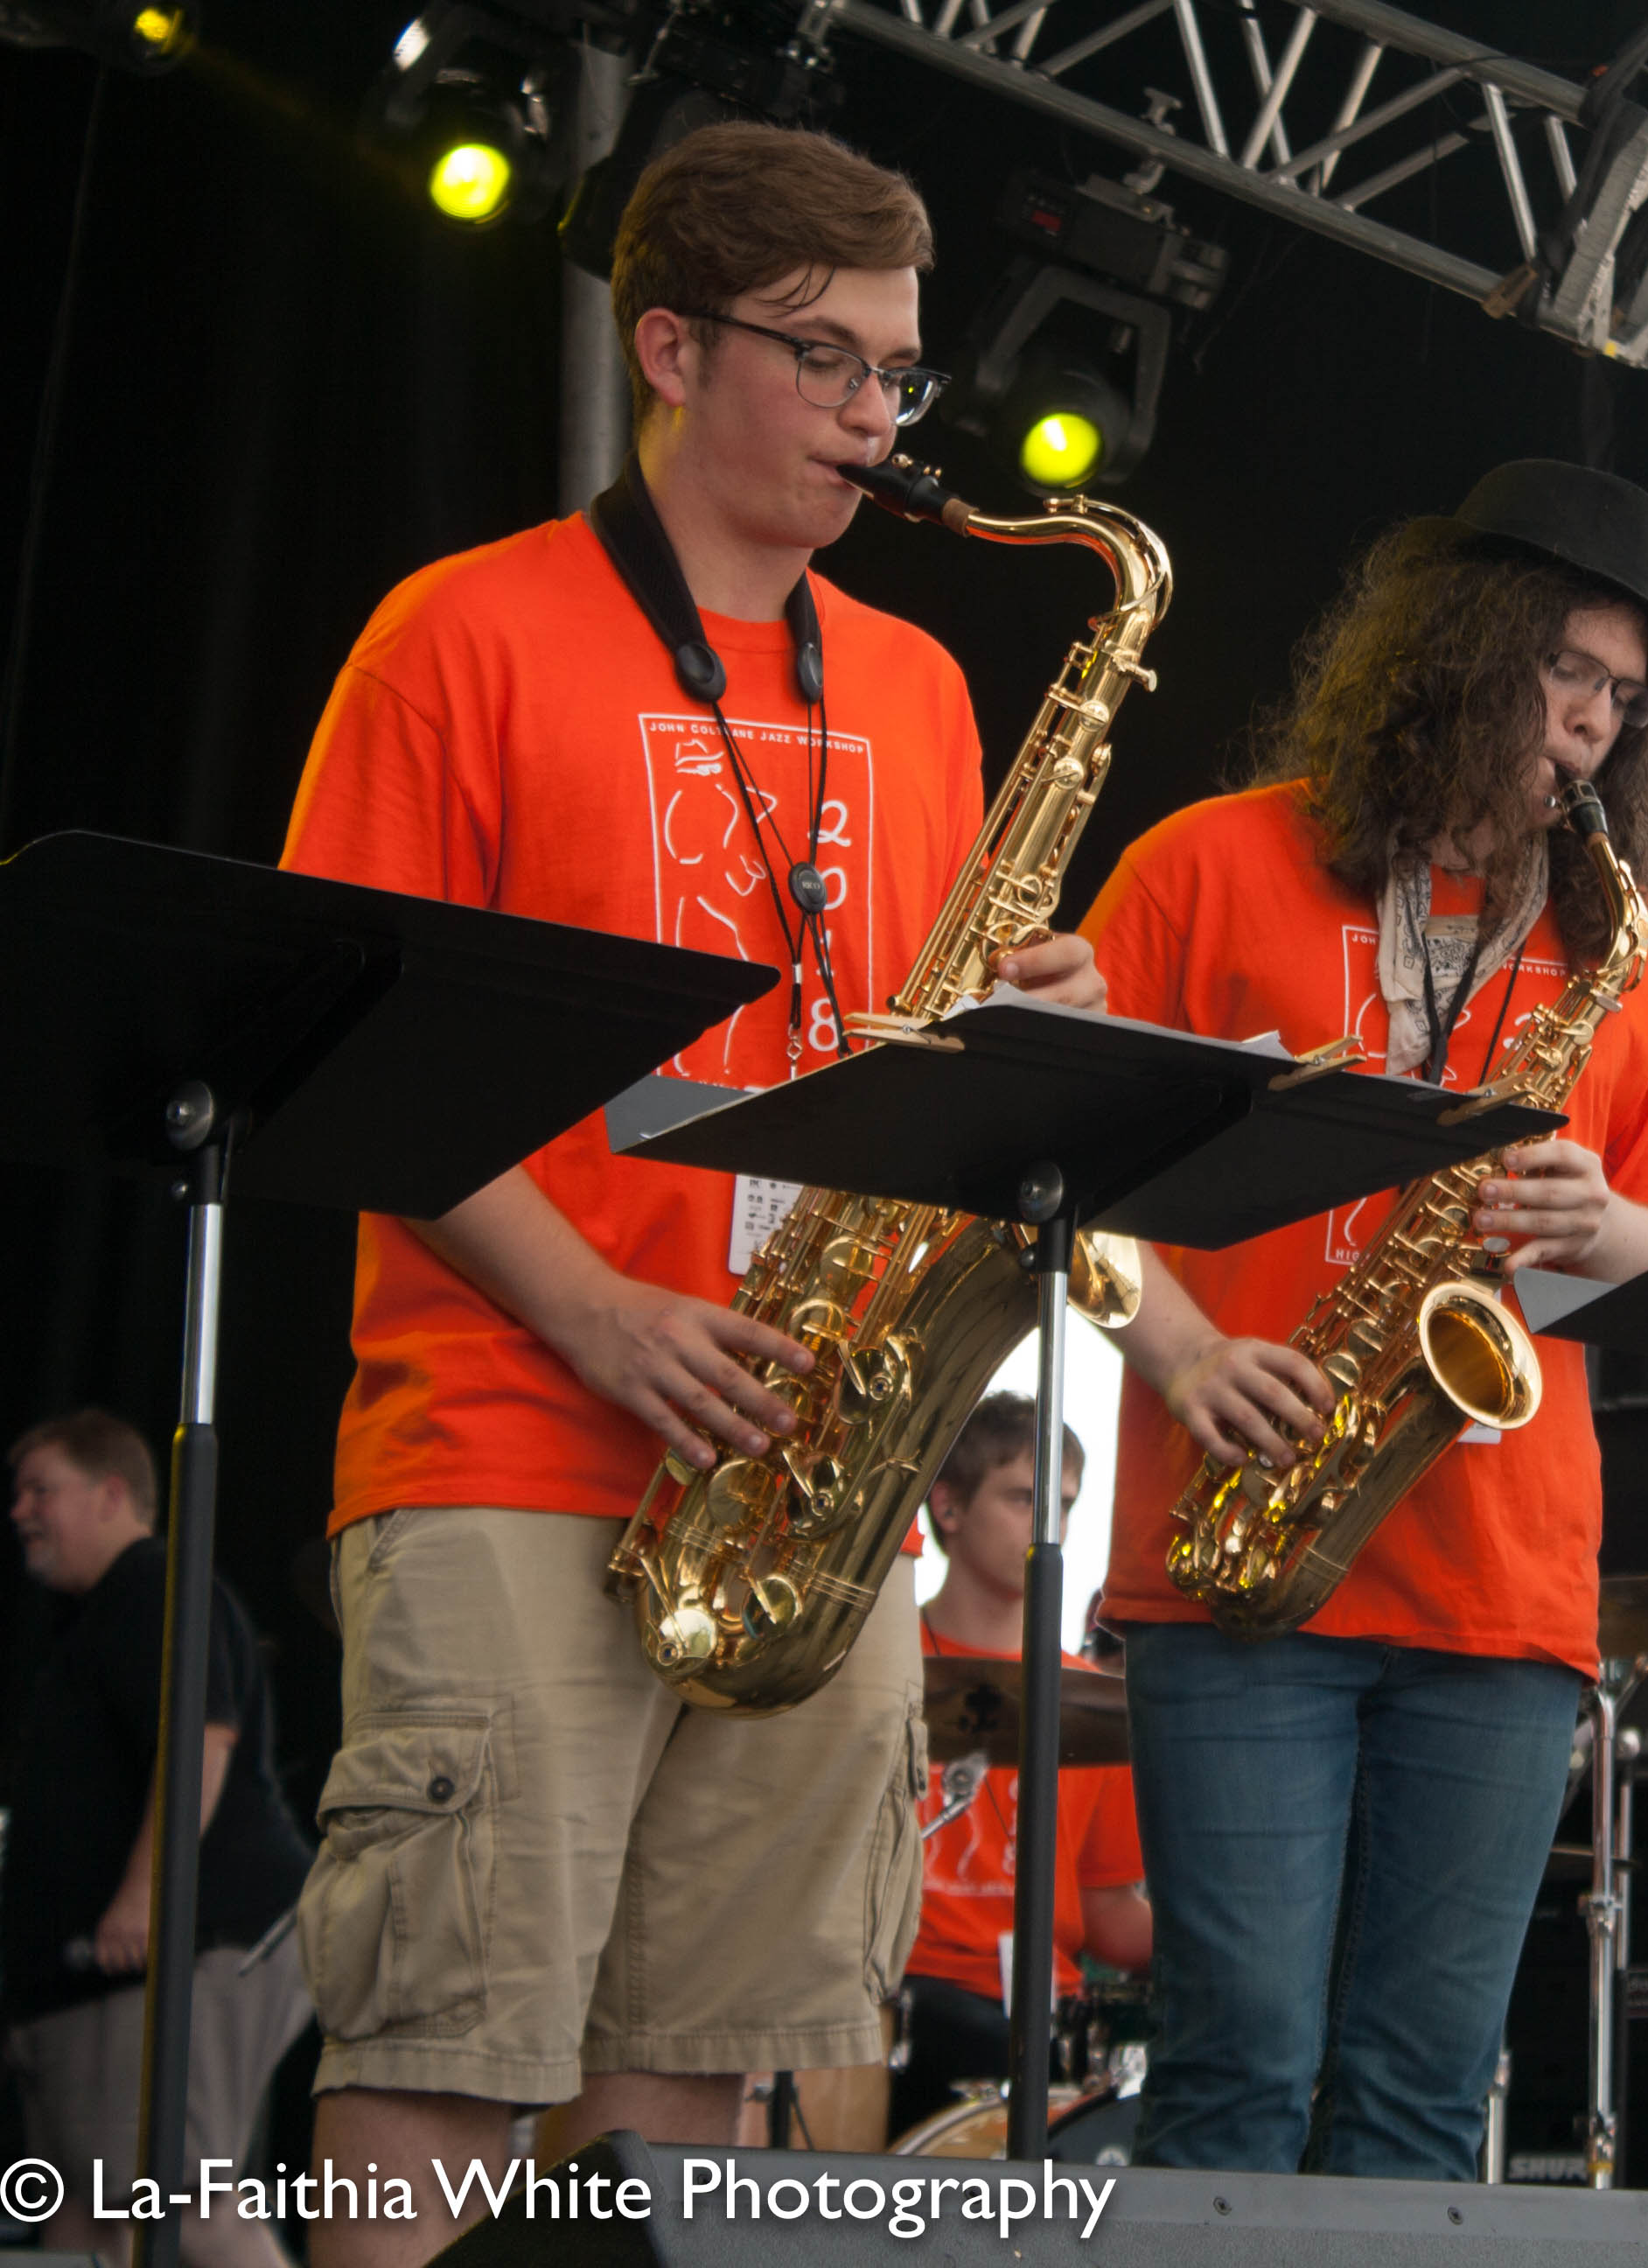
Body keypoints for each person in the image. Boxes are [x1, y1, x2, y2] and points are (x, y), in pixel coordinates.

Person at [276, 122, 1107, 2267]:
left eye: (896, 371)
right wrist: (598, 1312)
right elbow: (332, 1042)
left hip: (806, 1488)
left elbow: (894, 1060)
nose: (871, 414)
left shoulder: (922, 687)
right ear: (665, 344)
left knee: (704, 2096)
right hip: (513, 1446)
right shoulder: (455, 636)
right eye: (820, 359)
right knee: (443, 2067)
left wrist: (1033, 1024)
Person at [1078, 458, 1648, 2180]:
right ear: (1460, 646)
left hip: (1502, 1591)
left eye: (1623, 697)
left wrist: (1613, 1223)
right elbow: (1062, 1182)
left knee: (1427, 2103)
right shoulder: (1205, 870)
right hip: (1240, 1557)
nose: (1592, 726)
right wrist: (1187, 1351)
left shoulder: (1637, 953)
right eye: (1565, 672)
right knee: (1237, 2070)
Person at [2, 1411, 314, 2268]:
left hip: (181, 1947)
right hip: (91, 1982)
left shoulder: (151, 1585)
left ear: (111, 1493)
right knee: (81, 2226)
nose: (21, 1510)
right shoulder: (105, 1614)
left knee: (173, 2203)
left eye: (41, 1489)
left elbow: (200, 1740)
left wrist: (147, 1899)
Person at [892, 1393, 1151, 2142]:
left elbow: (1110, 1922)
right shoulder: (874, 1673)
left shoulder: (1095, 1710)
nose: (1053, 1527)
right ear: (947, 1506)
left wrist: (1232, 1923)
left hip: (1041, 2019)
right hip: (891, 1999)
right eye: (1025, 1499)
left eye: (1065, 1505)